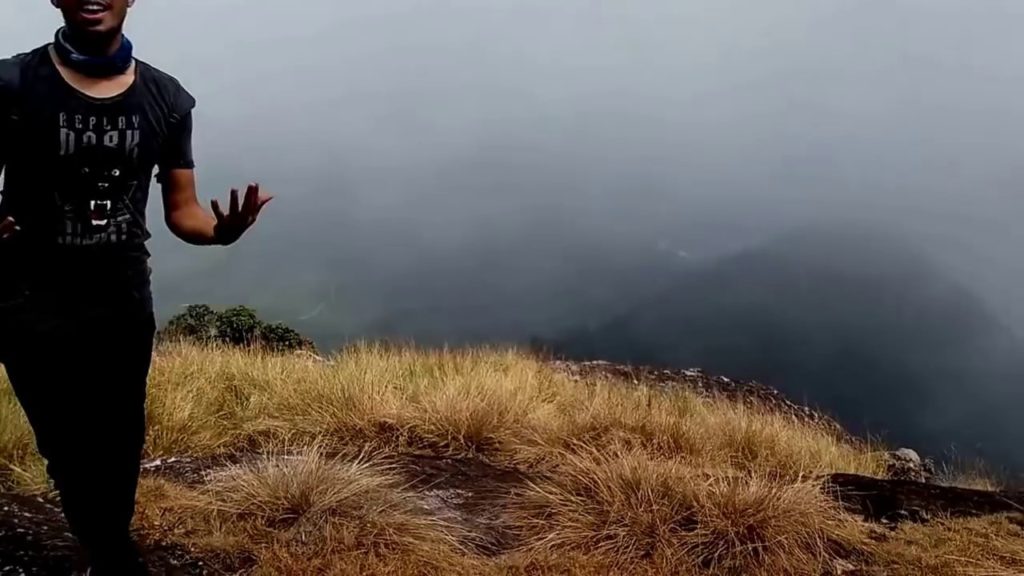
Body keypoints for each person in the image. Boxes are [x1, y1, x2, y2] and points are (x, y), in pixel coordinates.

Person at [0, 1, 272, 573]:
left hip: (120, 296)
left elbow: (183, 211)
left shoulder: (166, 99)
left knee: (120, 437)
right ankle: (105, 546)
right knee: (65, 439)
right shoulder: (13, 82)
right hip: (27, 296)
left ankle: (107, 543)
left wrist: (221, 232)